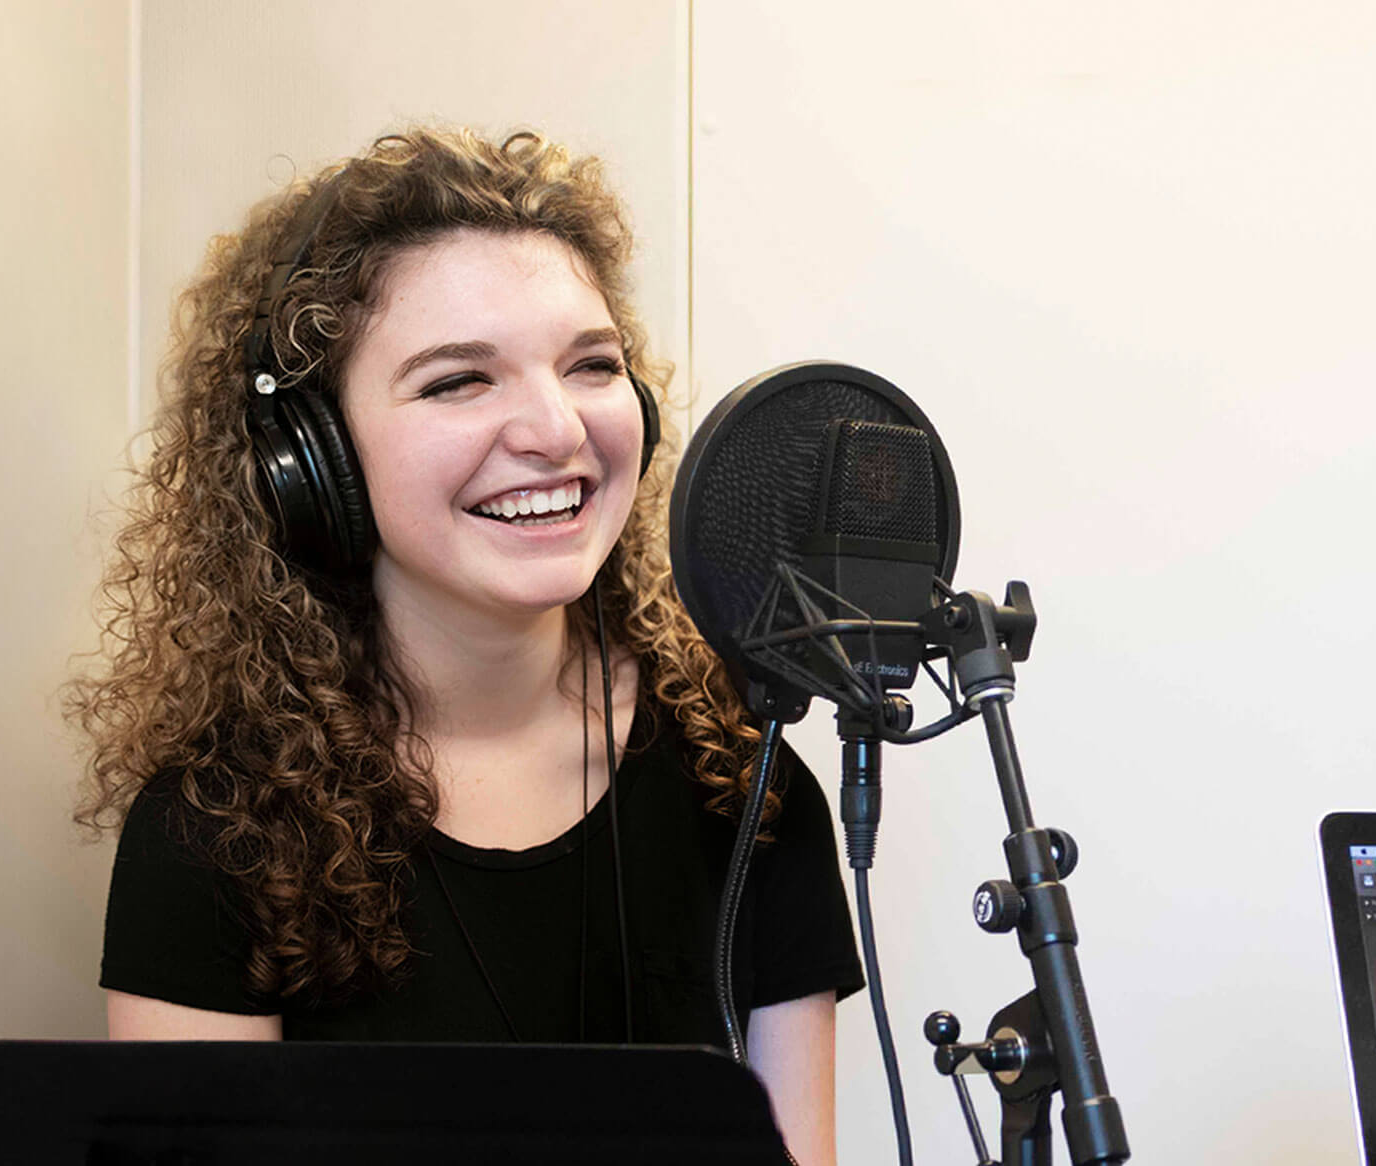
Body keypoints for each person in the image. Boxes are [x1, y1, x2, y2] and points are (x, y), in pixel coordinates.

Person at [66, 126, 860, 1166]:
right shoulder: (215, 831)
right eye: (457, 381)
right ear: (311, 461)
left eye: (591, 365)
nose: (556, 430)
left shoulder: (742, 782)